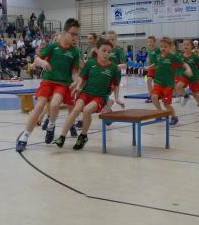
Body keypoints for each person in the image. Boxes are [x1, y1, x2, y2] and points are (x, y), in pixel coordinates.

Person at [15, 18, 81, 152]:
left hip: (62, 84)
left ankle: (51, 126)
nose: (75, 37)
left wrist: (76, 81)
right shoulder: (53, 46)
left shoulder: (75, 52)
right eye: (73, 34)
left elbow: (74, 72)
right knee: (39, 106)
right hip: (47, 81)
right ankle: (24, 138)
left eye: (77, 35)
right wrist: (43, 63)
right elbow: (36, 58)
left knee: (55, 104)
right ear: (65, 32)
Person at [54, 38, 124, 150]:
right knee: (75, 110)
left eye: (109, 52)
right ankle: (62, 137)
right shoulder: (90, 63)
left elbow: (116, 85)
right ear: (97, 50)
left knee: (87, 110)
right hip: (85, 93)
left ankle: (83, 136)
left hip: (100, 97)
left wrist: (117, 98)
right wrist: (78, 87)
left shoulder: (113, 68)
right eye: (104, 50)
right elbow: (82, 77)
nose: (106, 53)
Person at [150, 37, 190, 126]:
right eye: (161, 46)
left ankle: (174, 117)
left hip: (168, 85)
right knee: (154, 97)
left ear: (169, 47)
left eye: (165, 47)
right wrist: (148, 67)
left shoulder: (173, 57)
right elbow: (156, 64)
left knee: (166, 104)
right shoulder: (158, 56)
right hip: (158, 82)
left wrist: (188, 69)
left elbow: (183, 63)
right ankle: (160, 113)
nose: (163, 48)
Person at [175, 39, 199, 112]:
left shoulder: (194, 57)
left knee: (195, 95)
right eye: (184, 45)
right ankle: (186, 96)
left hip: (193, 78)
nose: (185, 46)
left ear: (192, 46)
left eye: (187, 44)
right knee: (178, 86)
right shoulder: (181, 56)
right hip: (184, 76)